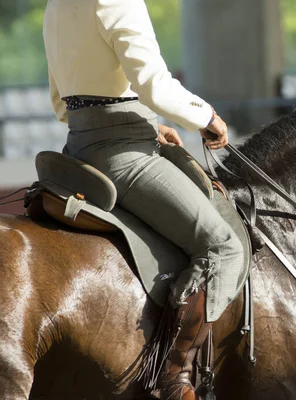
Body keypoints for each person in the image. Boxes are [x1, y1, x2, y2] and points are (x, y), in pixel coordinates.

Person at [43, 1, 245, 399]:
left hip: (79, 148)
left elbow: (60, 101)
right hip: (122, 156)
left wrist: (149, 126)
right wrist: (206, 117)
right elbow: (153, 84)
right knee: (223, 248)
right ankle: (173, 378)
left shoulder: (56, 5)